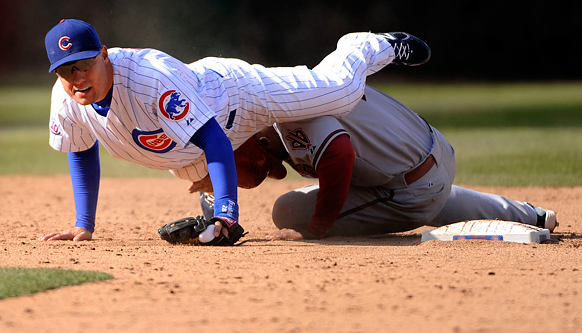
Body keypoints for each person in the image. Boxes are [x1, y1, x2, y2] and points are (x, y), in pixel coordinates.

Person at [38, 18, 431, 243]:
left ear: (103, 54)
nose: (76, 78)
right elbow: (81, 147)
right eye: (65, 70)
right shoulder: (66, 94)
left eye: (83, 65)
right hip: (181, 147)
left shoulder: (149, 80)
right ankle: (215, 201)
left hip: (234, 96)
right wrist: (83, 225)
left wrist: (228, 215)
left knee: (340, 93)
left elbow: (212, 137)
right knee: (234, 175)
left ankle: (368, 45)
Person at [190, 85, 558, 240]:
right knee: (382, 181)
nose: (269, 171)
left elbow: (339, 154)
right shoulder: (298, 90)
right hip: (436, 156)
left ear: (261, 140)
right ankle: (531, 215)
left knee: (287, 211)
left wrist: (317, 227)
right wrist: (220, 176)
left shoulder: (291, 121)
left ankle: (417, 200)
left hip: (411, 191)